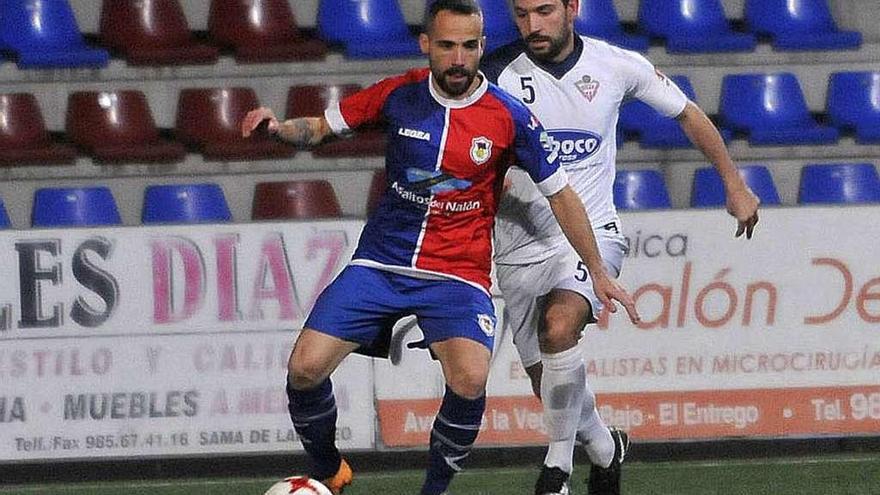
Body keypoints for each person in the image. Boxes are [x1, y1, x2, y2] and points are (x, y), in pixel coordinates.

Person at [241, 1, 639, 494]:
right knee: (303, 368)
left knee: (470, 380)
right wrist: (279, 129)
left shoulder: (509, 116)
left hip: (459, 274)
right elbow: (322, 127)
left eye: (469, 47)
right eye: (446, 45)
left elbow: (562, 195)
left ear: (481, 48)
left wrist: (597, 270)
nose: (458, 59)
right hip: (381, 262)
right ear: (426, 44)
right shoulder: (399, 94)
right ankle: (328, 469)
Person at [481, 1, 761, 494]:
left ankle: (557, 469)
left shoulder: (616, 65)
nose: (533, 25)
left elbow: (688, 113)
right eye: (521, 14)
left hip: (592, 235)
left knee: (560, 326)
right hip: (517, 245)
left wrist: (733, 183)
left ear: (572, 8)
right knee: (547, 382)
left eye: (544, 11)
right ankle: (607, 448)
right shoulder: (495, 73)